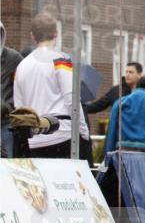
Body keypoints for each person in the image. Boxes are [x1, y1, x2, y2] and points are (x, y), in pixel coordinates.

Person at [13, 12, 91, 162]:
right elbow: (71, 99)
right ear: (56, 34)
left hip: (34, 139)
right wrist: (84, 132)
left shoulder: (21, 66)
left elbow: (19, 108)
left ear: (32, 36)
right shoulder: (61, 61)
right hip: (63, 135)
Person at [103, 75, 145, 157]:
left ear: (135, 86)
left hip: (124, 148)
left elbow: (112, 128)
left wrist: (108, 152)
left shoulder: (121, 102)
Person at [1, 21, 23, 156]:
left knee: (7, 164)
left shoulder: (13, 58)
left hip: (5, 122)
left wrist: (7, 106)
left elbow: (23, 85)